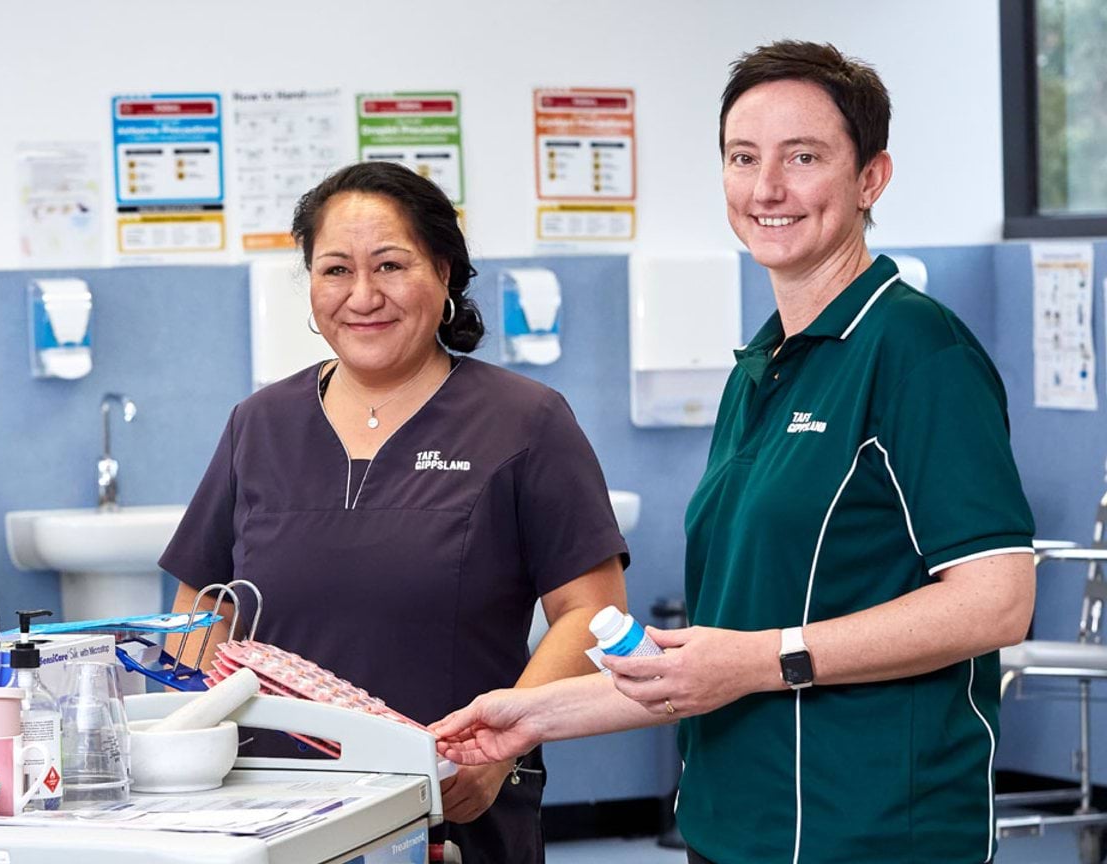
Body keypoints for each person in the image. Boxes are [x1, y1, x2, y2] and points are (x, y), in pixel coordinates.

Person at [431, 41, 1036, 864]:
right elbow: (715, 664)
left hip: (872, 832)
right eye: (743, 158)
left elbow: (996, 603)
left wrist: (764, 658)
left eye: (804, 157)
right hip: (732, 828)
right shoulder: (760, 369)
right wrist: (528, 718)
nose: (767, 189)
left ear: (871, 179)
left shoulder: (918, 353)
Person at [158, 161, 631, 863]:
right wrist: (195, 741)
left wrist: (499, 747)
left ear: (443, 273)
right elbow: (199, 612)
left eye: (390, 265)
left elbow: (593, 616)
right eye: (335, 270)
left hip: (456, 796)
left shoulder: (524, 422)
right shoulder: (259, 424)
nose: (363, 295)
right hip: (274, 805)